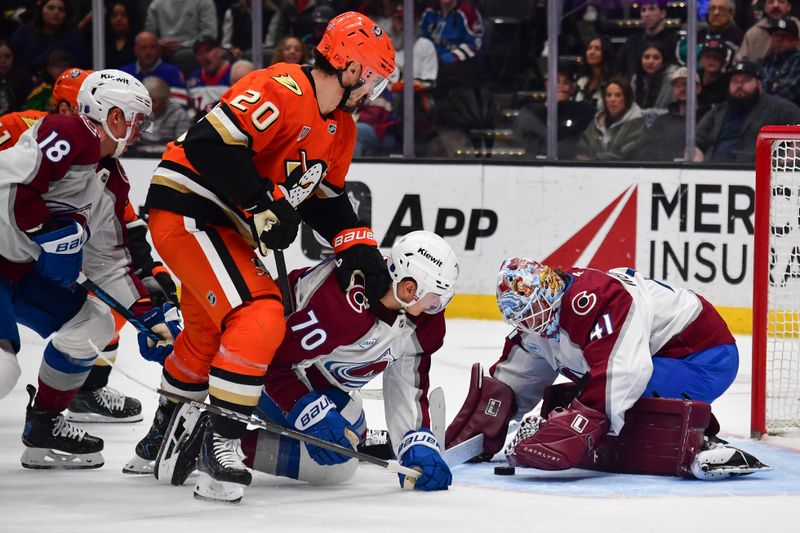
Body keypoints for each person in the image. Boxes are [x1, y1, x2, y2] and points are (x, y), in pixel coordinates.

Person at [130, 11, 396, 500]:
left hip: (228, 228)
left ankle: (160, 437)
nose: (373, 91)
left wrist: (359, 247)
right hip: (192, 211)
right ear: (351, 67)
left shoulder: (341, 129)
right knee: (260, 314)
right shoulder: (281, 87)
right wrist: (261, 203)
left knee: (208, 335)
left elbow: (324, 198)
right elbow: (210, 144)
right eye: (373, 78)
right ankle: (221, 444)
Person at [155, 231, 458, 501]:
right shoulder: (341, 306)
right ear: (408, 288)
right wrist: (306, 409)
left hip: (317, 378)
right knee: (336, 466)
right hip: (261, 375)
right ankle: (215, 438)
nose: (437, 307)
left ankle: (228, 440)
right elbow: (268, 359)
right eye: (434, 298)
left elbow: (408, 378)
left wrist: (413, 440)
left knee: (350, 434)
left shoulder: (422, 318)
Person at [446, 258, 770, 480]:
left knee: (616, 398)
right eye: (519, 318)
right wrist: (491, 416)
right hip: (661, 358)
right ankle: (678, 428)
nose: (528, 322)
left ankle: (698, 441)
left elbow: (624, 371)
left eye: (532, 311)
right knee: (569, 396)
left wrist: (576, 426)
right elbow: (521, 375)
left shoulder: (597, 299)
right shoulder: (537, 321)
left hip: (702, 356)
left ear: (549, 292)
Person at [0, 69, 178, 469]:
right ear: (114, 116)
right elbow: (9, 187)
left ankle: (43, 425)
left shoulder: (109, 179)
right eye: (136, 120)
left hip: (21, 272)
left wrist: (149, 317)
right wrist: (45, 229)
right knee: (2, 370)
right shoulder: (66, 131)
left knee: (95, 321)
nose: (137, 132)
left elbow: (110, 260)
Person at [695, 60, 800, 162]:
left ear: (759, 84)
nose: (739, 86)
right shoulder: (718, 111)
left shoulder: (778, 108)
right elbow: (695, 142)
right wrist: (697, 165)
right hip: (714, 174)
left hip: (759, 174)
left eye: (746, 80)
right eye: (735, 81)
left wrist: (786, 161)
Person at [513, 69, 595, 159]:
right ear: (547, 85)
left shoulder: (582, 110)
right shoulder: (530, 111)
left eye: (566, 82)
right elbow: (525, 139)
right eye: (556, 81)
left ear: (572, 88)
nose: (561, 86)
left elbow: (572, 142)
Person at [634, 67, 704, 161]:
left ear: (698, 88)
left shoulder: (707, 118)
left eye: (686, 84)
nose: (682, 89)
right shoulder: (662, 120)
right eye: (677, 85)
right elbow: (645, 150)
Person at [575, 76, 646, 161]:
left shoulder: (637, 124)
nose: (612, 100)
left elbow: (626, 154)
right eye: (609, 95)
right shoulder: (597, 122)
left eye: (618, 95)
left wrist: (594, 160)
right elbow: (582, 147)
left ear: (627, 99)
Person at [8, 0, 88, 74]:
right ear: (41, 10)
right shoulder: (24, 32)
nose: (56, 12)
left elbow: (79, 64)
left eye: (61, 10)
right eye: (51, 8)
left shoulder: (73, 35)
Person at [120, 31, 189, 109]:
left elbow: (180, 105)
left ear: (159, 50)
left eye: (152, 47)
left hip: (165, 119)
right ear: (136, 50)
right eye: (144, 47)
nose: (148, 52)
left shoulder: (173, 72)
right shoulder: (124, 73)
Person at [616, 1, 677, 77]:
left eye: (651, 9)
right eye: (643, 10)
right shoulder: (632, 42)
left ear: (663, 13)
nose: (646, 14)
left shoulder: (674, 42)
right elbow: (620, 69)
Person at [137, 76, 192, 150]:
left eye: (154, 101)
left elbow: (183, 146)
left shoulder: (179, 114)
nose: (150, 106)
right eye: (147, 102)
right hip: (138, 157)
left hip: (169, 158)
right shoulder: (139, 112)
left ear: (164, 99)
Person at [187, 36, 231, 116]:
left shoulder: (233, 73)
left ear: (220, 51)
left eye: (208, 50)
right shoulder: (194, 77)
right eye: (199, 53)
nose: (204, 56)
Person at [760, 17, 800, 105]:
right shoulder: (765, 60)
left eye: (784, 36)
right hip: (762, 111)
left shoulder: (797, 61)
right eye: (776, 35)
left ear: (796, 41)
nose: (779, 39)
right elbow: (754, 90)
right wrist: (772, 86)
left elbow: (785, 93)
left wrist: (766, 85)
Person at [630, 41, 677, 113]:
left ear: (663, 61)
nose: (650, 61)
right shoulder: (635, 79)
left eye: (656, 58)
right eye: (646, 57)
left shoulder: (672, 80)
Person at [575, 36, 616, 110]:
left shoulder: (614, 82)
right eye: (589, 48)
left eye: (597, 49)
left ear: (605, 53)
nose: (591, 52)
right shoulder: (580, 81)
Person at [698, 35, 732, 110]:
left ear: (724, 62)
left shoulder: (728, 86)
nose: (711, 60)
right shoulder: (692, 80)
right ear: (701, 60)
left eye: (716, 57)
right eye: (708, 56)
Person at [104, 0, 142, 69]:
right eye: (114, 15)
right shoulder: (102, 43)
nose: (118, 19)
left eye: (124, 15)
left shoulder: (138, 42)